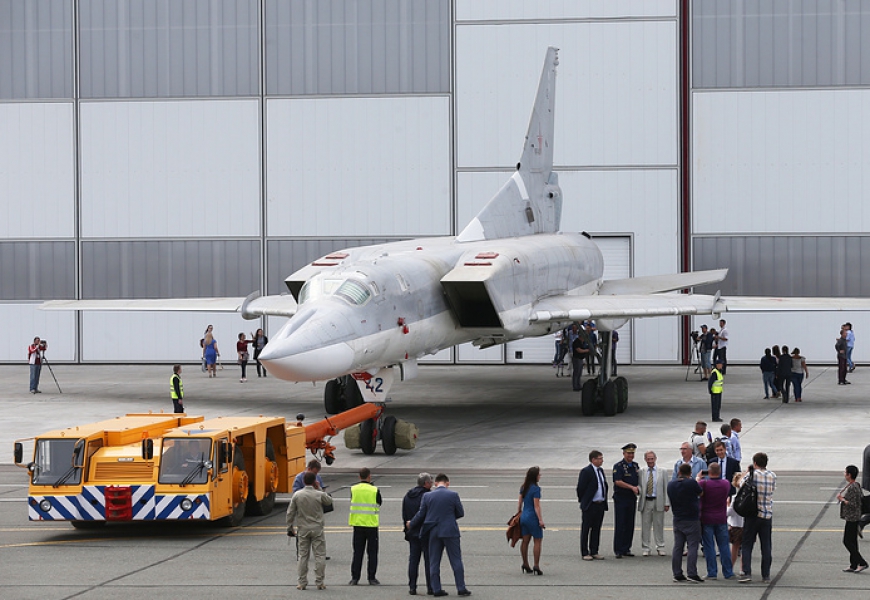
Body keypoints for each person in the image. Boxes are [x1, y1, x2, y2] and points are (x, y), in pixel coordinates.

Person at [407, 473, 471, 597]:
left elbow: (421, 514)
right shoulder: (453, 495)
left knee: (434, 561)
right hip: (450, 530)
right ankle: (461, 587)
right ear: (448, 483)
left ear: (435, 483)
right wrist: (449, 517)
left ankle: (436, 588)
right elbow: (460, 512)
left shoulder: (427, 496)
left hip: (433, 530)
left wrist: (411, 523)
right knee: (456, 560)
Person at [286, 471, 333, 590]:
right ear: (314, 482)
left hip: (303, 528)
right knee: (320, 555)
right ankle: (319, 581)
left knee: (303, 556)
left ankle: (302, 582)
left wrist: (290, 527)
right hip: (317, 528)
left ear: (303, 481)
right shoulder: (319, 494)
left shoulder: (297, 495)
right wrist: (320, 489)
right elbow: (329, 501)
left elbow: (290, 512)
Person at [740, 452, 776, 584]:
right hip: (766, 514)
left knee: (747, 544)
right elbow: (772, 490)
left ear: (755, 463)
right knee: (766, 545)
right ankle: (765, 574)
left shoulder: (752, 475)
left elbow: (740, 484)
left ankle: (747, 572)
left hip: (753, 514)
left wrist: (746, 472)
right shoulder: (772, 475)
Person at [668, 463, 703, 583]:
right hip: (691, 518)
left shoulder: (671, 485)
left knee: (678, 546)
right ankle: (692, 572)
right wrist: (697, 480)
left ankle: (677, 573)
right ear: (690, 473)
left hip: (678, 518)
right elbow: (700, 493)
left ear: (679, 472)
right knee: (692, 546)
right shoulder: (691, 483)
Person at [698, 462, 735, 580]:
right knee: (724, 546)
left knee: (709, 546)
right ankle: (728, 572)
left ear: (709, 472)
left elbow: (696, 491)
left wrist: (698, 478)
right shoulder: (725, 484)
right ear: (719, 472)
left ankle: (712, 572)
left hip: (707, 518)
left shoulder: (703, 484)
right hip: (721, 518)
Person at [349, 467, 382, 585]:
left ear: (359, 477)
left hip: (357, 524)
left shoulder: (353, 489)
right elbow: (379, 502)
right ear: (369, 476)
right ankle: (371, 577)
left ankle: (355, 578)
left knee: (357, 552)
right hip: (371, 524)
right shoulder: (374, 490)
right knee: (372, 553)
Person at [403, 472, 433, 595]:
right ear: (426, 483)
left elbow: (404, 514)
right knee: (429, 561)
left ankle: (412, 586)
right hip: (425, 532)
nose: (432, 484)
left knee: (413, 560)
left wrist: (407, 529)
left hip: (412, 532)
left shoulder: (408, 496)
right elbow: (428, 514)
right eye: (430, 482)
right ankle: (431, 587)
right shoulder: (428, 496)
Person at [576, 450, 608, 561]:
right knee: (586, 528)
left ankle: (594, 550)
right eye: (600, 458)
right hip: (590, 505)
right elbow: (580, 488)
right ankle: (585, 552)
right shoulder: (586, 471)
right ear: (593, 459)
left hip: (600, 504)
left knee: (596, 528)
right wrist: (584, 501)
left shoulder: (600, 471)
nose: (602, 460)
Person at [837, 465, 868, 573]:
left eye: (845, 472)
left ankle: (862, 562)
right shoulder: (855, 485)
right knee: (853, 542)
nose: (844, 474)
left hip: (853, 518)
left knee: (847, 541)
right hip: (853, 516)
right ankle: (853, 564)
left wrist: (842, 499)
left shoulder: (853, 487)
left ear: (849, 475)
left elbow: (854, 504)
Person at [637, 450, 669, 556]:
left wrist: (666, 503)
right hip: (646, 501)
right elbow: (639, 486)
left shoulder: (662, 471)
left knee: (658, 525)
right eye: (648, 459)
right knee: (645, 526)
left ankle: (660, 546)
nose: (650, 461)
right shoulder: (641, 471)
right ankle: (646, 547)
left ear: (655, 459)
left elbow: (666, 488)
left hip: (658, 501)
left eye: (652, 459)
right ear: (645, 459)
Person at [612, 443, 640, 558]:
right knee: (620, 524)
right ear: (624, 453)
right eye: (629, 453)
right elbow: (617, 481)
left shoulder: (635, 466)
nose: (630, 455)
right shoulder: (618, 466)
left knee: (630, 524)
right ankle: (618, 549)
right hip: (621, 498)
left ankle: (626, 548)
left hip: (631, 498)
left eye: (632, 453)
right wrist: (631, 487)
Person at [517, 466, 545, 575]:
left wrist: (519, 513)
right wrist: (540, 520)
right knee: (537, 540)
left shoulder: (523, 487)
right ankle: (536, 565)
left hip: (524, 516)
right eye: (539, 474)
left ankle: (525, 563)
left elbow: (520, 503)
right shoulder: (536, 489)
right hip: (532, 517)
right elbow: (536, 506)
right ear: (535, 476)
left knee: (525, 541)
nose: (540, 476)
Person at [727, 474, 745, 569]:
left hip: (736, 525)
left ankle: (731, 567)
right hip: (746, 525)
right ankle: (743, 568)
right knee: (746, 548)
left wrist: (727, 505)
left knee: (735, 547)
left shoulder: (735, 497)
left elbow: (730, 512)